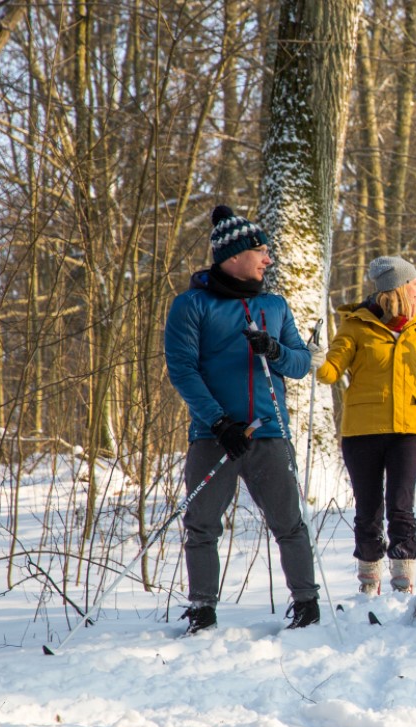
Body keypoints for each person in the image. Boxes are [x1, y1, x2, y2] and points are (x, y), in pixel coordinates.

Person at [164, 205, 320, 634]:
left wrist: (273, 350)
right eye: (261, 251)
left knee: (289, 522)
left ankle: (307, 605)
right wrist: (218, 423)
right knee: (201, 525)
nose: (268, 259)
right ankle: (202, 610)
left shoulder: (274, 305)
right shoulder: (192, 305)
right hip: (214, 435)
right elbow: (182, 370)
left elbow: (301, 363)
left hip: (269, 433)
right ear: (233, 256)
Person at [312, 256, 416, 595]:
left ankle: (403, 581)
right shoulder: (355, 326)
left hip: (409, 429)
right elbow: (331, 373)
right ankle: (369, 581)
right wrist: (317, 360)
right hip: (362, 431)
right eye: (414, 284)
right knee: (368, 509)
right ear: (397, 289)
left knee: (401, 505)